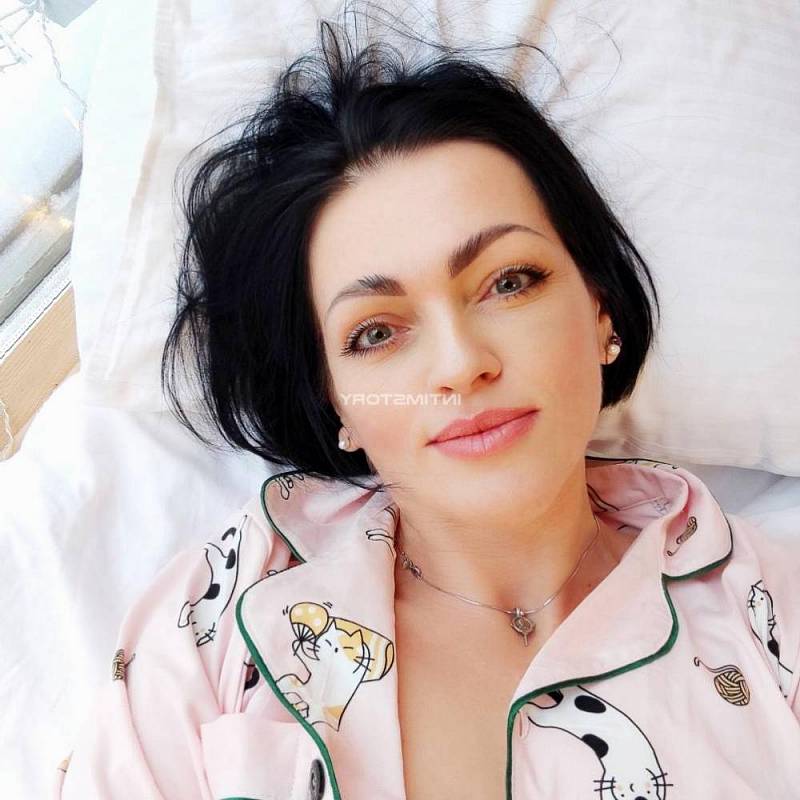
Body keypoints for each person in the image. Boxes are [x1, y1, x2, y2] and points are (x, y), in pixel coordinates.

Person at [53, 5, 800, 799]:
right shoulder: (219, 620)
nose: (461, 365)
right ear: (335, 401)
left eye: (509, 282)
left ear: (600, 309)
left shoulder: (765, 614)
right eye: (376, 333)